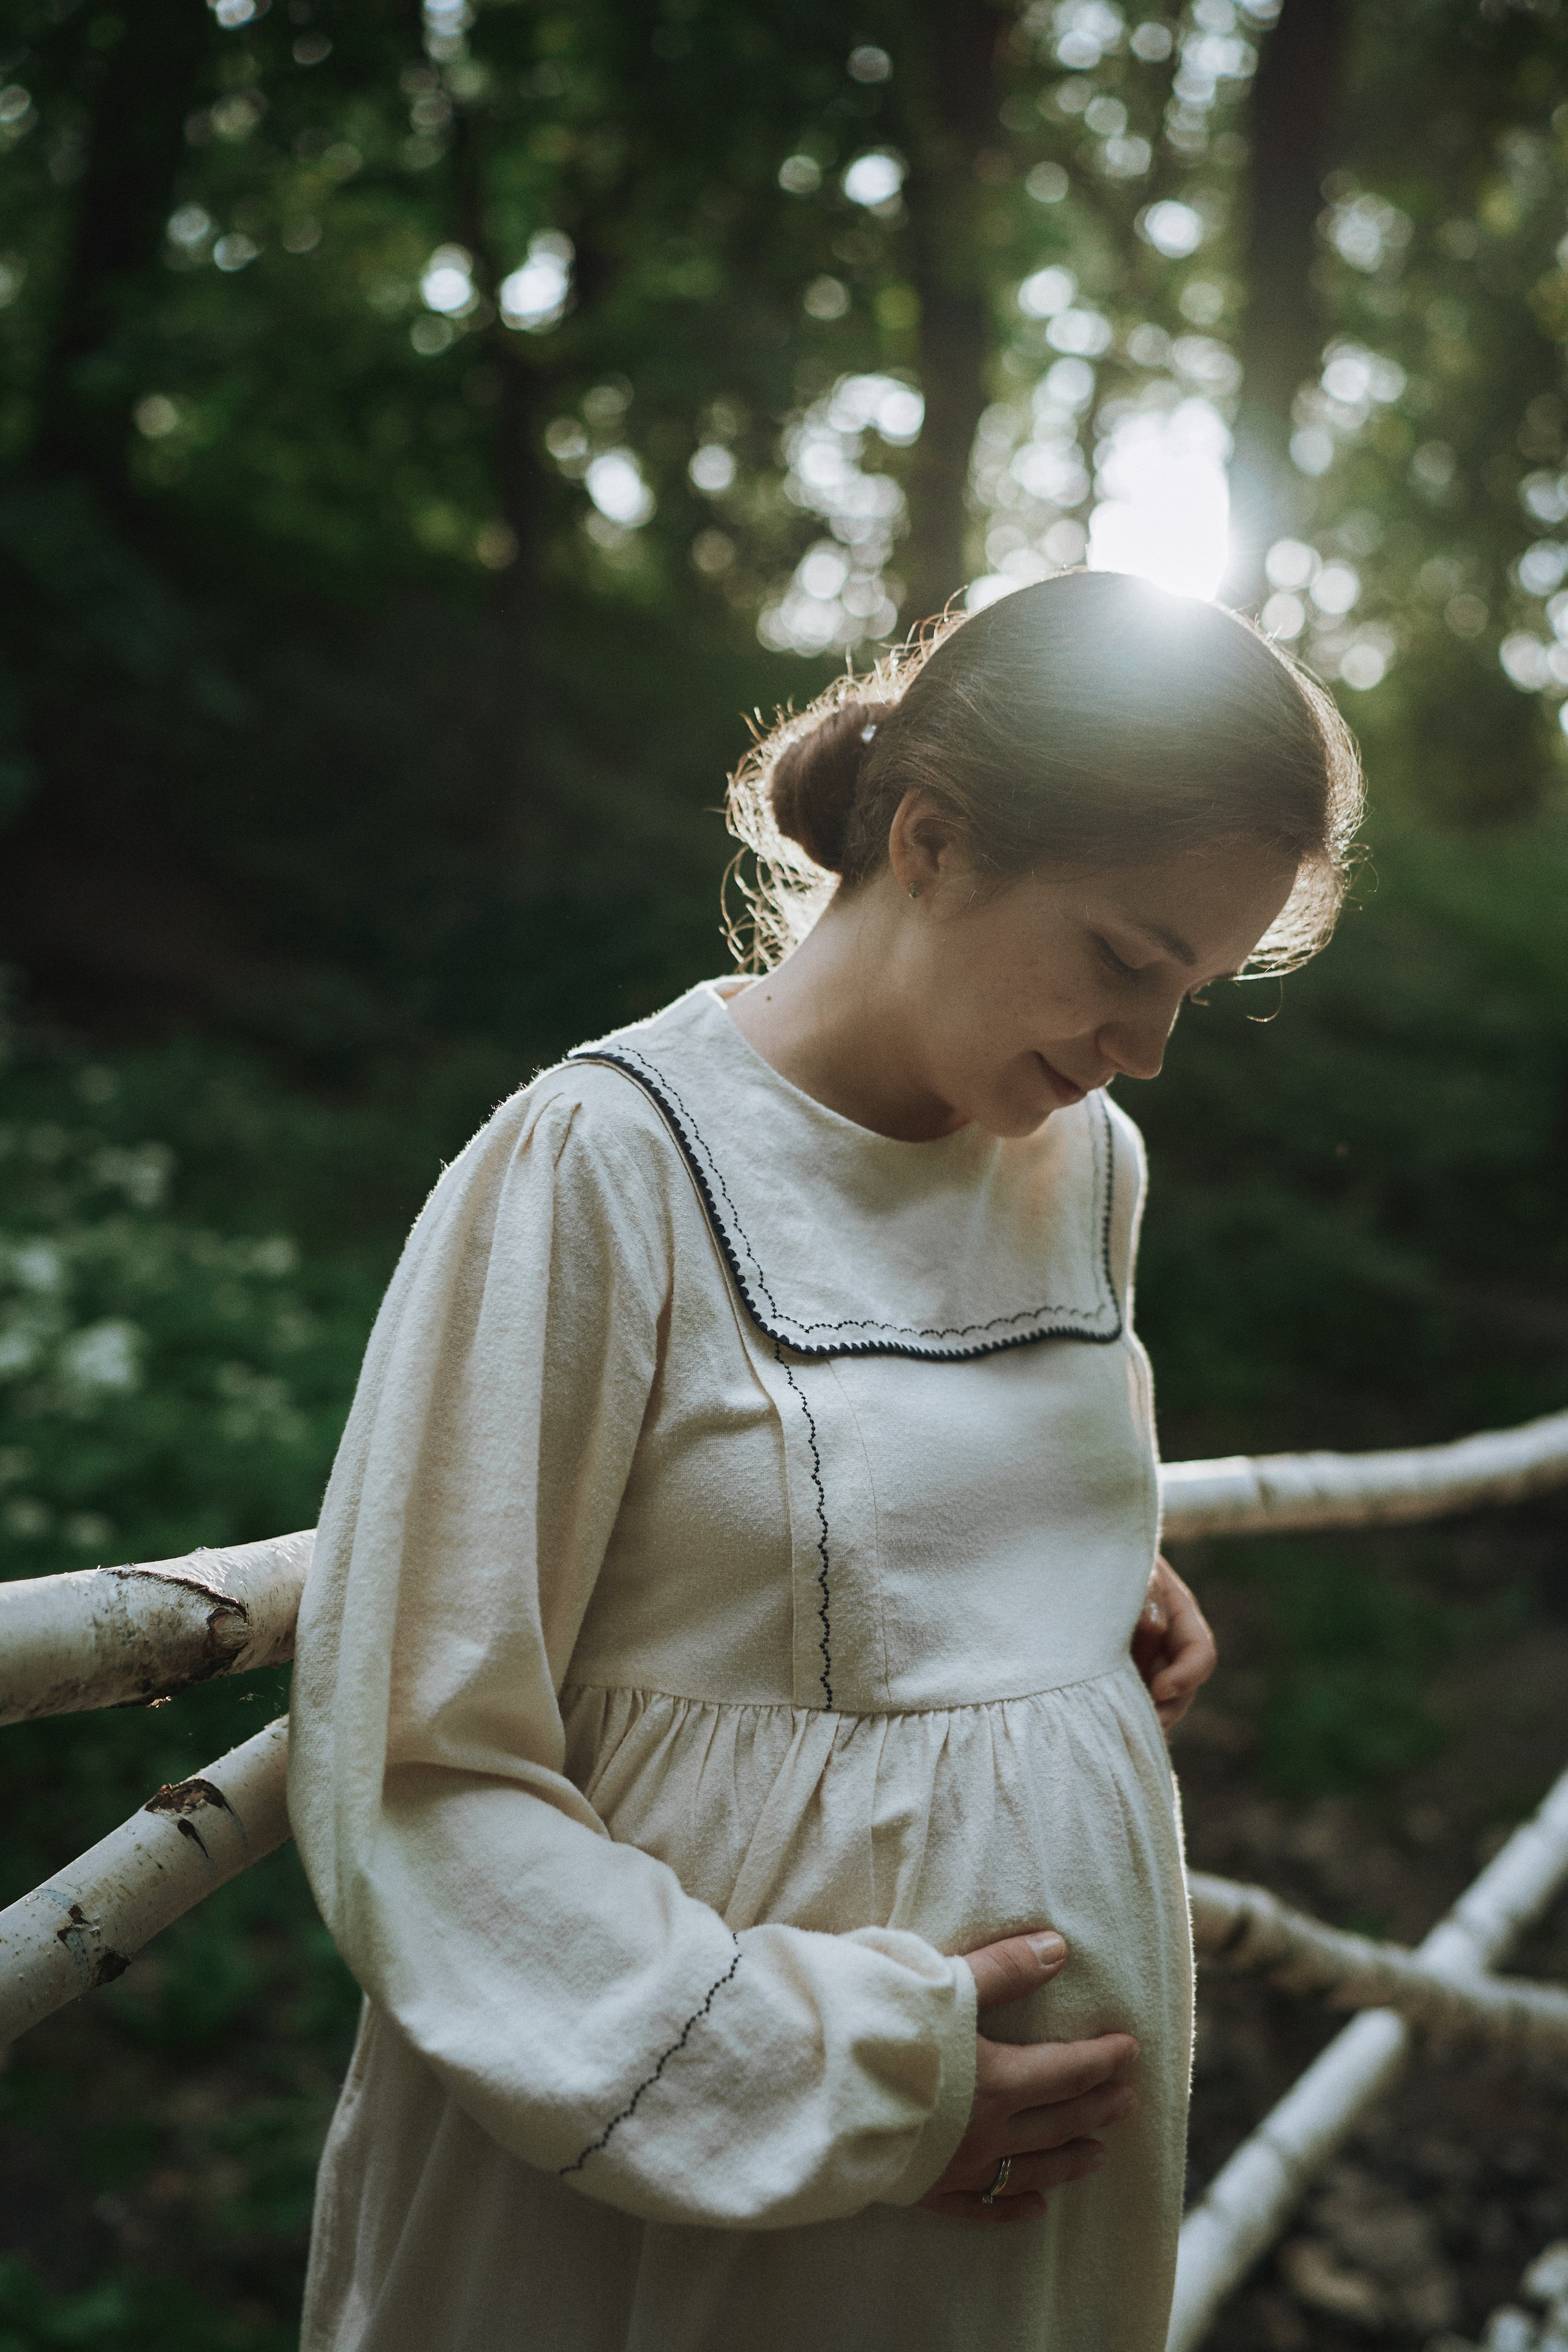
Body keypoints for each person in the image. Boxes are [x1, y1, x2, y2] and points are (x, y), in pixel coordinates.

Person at [287, 568, 1362, 2351]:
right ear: (931, 842)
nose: (1150, 1053)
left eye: (1199, 990)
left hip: (1018, 2252)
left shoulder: (1087, 1163)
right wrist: (838, 2082)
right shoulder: (604, 1165)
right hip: (691, 2215)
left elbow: (876, 1503)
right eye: (1127, 960)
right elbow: (413, 1758)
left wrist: (1073, 1564)